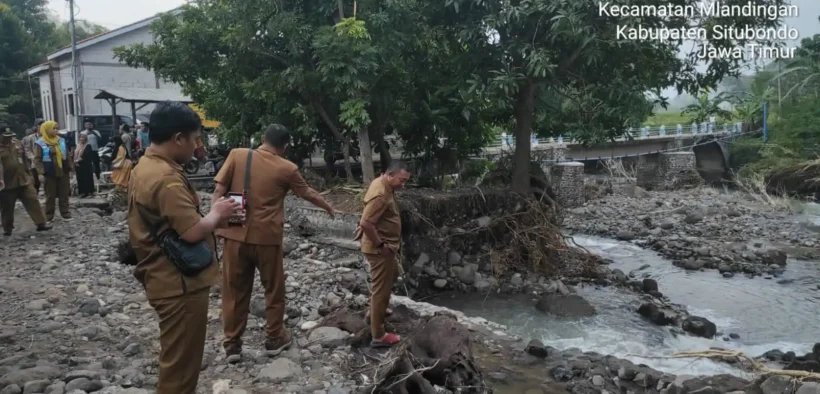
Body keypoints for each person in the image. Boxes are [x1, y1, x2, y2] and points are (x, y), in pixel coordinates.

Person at [127, 101, 241, 394]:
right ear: (178, 138)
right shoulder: (166, 178)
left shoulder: (146, 166)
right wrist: (217, 215)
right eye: (194, 139)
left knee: (176, 358)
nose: (195, 146)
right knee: (181, 366)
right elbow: (191, 232)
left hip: (163, 276)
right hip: (178, 284)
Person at [212, 124, 335, 357]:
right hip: (267, 237)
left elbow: (218, 191)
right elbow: (307, 193)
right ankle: (274, 338)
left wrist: (216, 226)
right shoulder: (287, 168)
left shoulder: (237, 155)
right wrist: (328, 206)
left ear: (262, 139)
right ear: (286, 146)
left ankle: (232, 345)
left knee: (234, 290)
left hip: (235, 233)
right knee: (274, 289)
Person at [356, 162, 411, 347]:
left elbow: (368, 217)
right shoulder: (381, 193)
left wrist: (364, 224)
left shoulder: (382, 184)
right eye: (401, 180)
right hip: (379, 249)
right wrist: (380, 244)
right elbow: (367, 222)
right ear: (390, 174)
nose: (403, 184)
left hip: (384, 247)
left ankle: (375, 310)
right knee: (381, 291)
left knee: (393, 274)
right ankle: (378, 334)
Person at [0, 124, 51, 236]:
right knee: (7, 207)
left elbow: (24, 158)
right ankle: (7, 228)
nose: (8, 138)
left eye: (10, 135)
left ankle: (41, 223)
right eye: (5, 136)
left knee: (32, 200)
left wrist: (28, 172)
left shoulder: (17, 143)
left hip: (23, 179)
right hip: (7, 183)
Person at [34, 121, 73, 222]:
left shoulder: (61, 140)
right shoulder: (40, 143)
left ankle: (65, 213)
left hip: (63, 170)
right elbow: (37, 159)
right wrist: (41, 172)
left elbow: (67, 155)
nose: (56, 130)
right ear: (47, 129)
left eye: (57, 128)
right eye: (54, 128)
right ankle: (49, 215)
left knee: (64, 193)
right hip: (49, 172)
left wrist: (71, 168)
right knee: (50, 195)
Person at [21, 119, 44, 194]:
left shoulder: (47, 136)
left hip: (46, 160)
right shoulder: (30, 138)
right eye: (41, 125)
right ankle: (36, 194)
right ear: (37, 127)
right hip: (35, 162)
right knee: (36, 180)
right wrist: (33, 157)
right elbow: (27, 149)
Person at [74, 133, 96, 198]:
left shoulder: (88, 145)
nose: (81, 139)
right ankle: (82, 192)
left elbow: (87, 155)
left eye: (83, 137)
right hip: (78, 165)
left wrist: (79, 160)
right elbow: (75, 153)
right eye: (80, 137)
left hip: (85, 165)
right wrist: (75, 161)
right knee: (80, 179)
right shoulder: (78, 145)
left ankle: (88, 192)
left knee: (87, 179)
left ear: (86, 138)